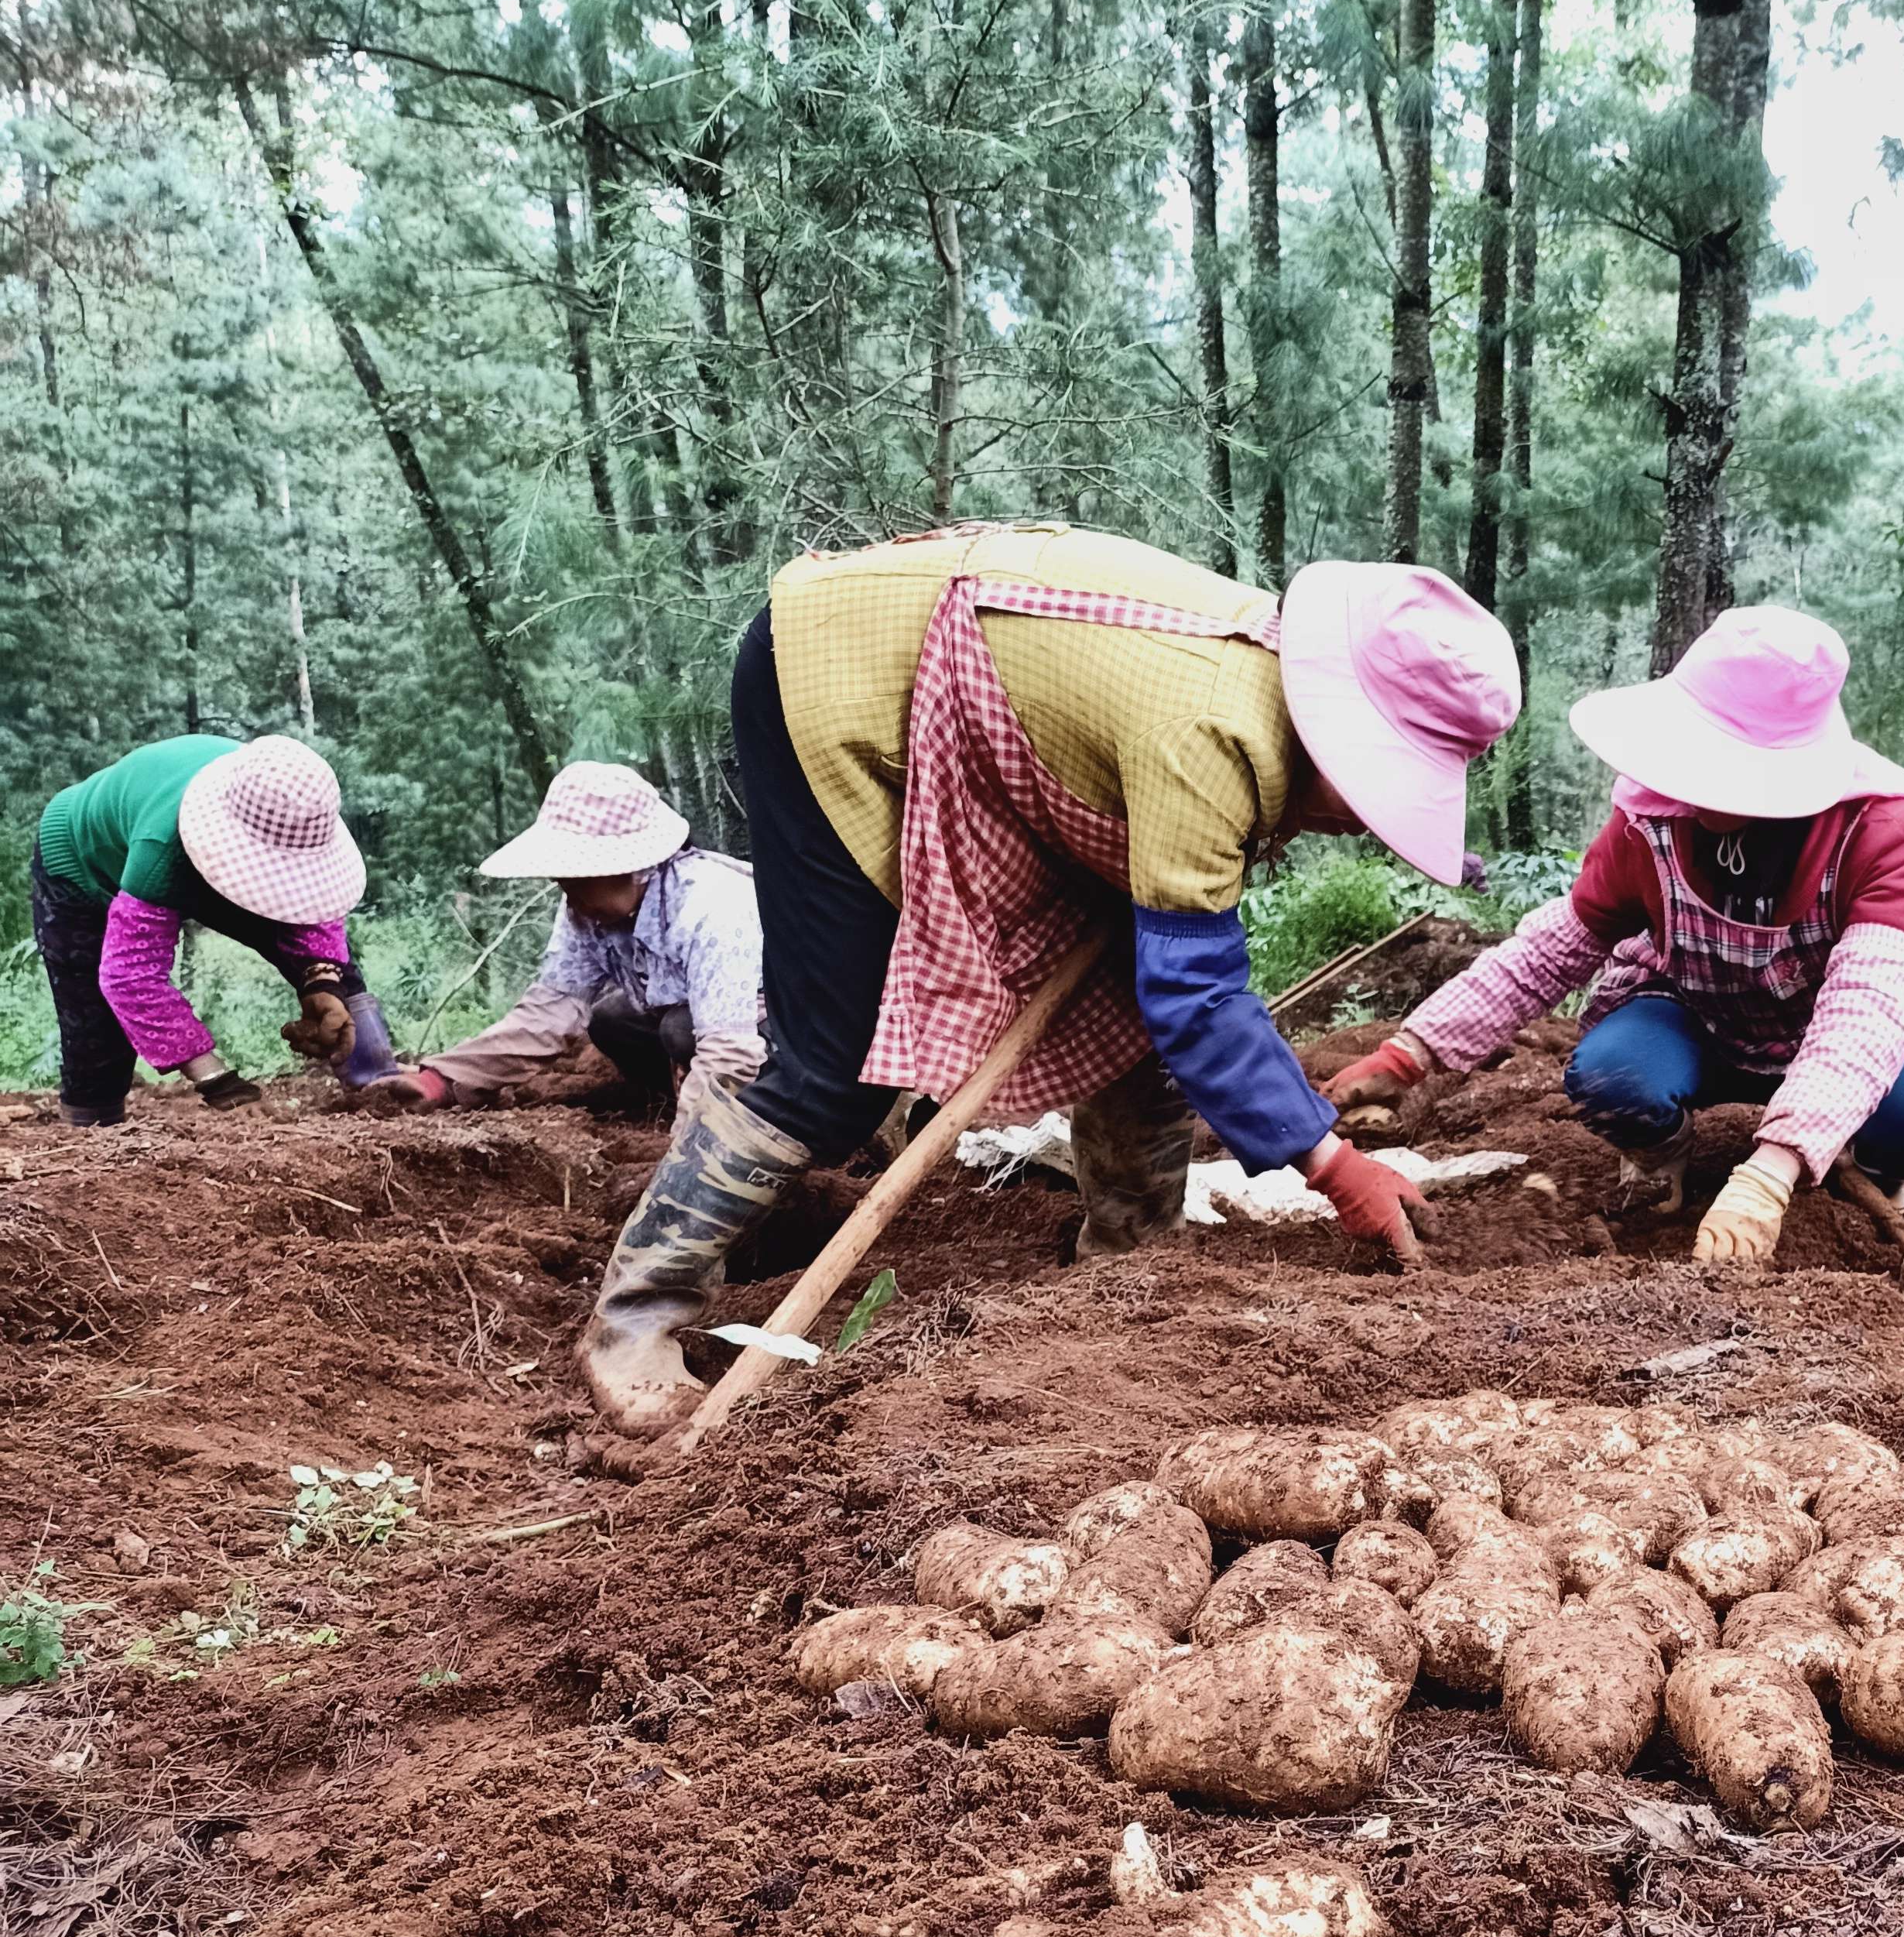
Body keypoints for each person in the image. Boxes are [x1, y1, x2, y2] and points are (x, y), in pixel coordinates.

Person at [579, 522, 1520, 1435]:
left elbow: (1174, 992)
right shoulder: (1211, 729)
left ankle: (1127, 1264)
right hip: (838, 679)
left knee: (1129, 1007)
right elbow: (1199, 997)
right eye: (1374, 785)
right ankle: (637, 1316)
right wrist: (1332, 1162)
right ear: (1331, 726)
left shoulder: (1242, 710)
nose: (1362, 821)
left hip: (1005, 724)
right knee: (832, 1071)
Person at [1326, 605, 1904, 1267]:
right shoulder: (1652, 822)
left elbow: (1863, 1012)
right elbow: (1548, 953)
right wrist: (1411, 1052)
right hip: (1701, 1016)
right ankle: (1665, 1158)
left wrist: (1772, 1170)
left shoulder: (1880, 829)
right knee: (1611, 1075)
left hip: (1839, 1031)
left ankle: (1877, 1161)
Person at [378, 762, 764, 1139]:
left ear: (634, 866)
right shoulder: (586, 912)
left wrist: (686, 1162)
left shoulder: (712, 906)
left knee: (681, 1029)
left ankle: (763, 1122)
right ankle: (667, 1106)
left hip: (788, 1030)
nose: (569, 895)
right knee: (613, 1019)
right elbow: (551, 1011)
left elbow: (728, 1053)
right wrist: (443, 1078)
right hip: (705, 1030)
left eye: (579, 880)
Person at [30, 732, 392, 1126]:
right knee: (97, 1031)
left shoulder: (296, 810)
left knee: (331, 967)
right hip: (80, 867)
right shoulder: (164, 849)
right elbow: (131, 977)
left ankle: (377, 1082)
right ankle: (92, 1127)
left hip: (225, 837)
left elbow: (314, 906)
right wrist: (218, 1082)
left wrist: (322, 983)